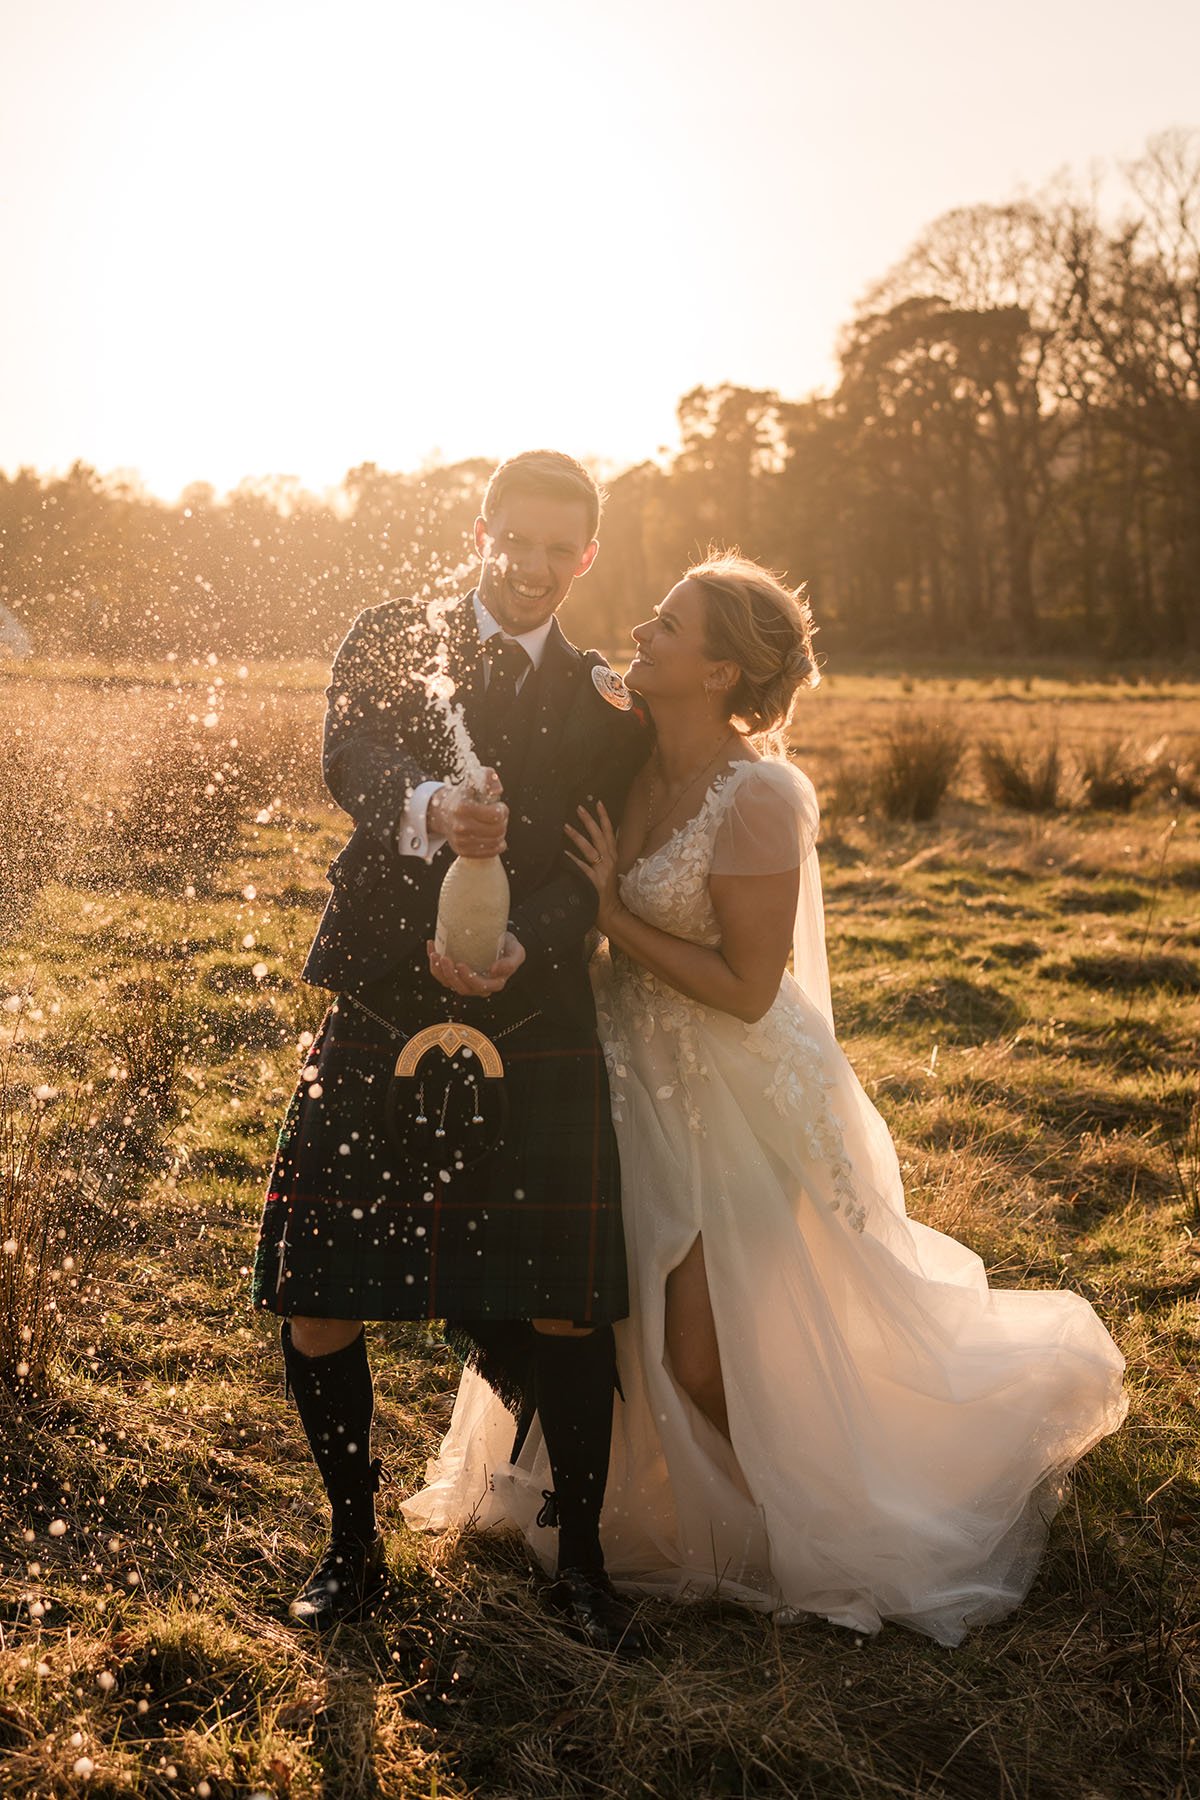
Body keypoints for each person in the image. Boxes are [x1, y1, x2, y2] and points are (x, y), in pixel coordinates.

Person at [403, 552, 1128, 1646]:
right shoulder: (626, 753)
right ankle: (637, 1510)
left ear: (720, 670)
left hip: (732, 1088)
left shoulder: (761, 796)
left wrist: (610, 912)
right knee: (622, 1324)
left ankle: (821, 1532)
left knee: (699, 1351)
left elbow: (748, 990)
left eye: (670, 625)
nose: (642, 631)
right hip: (624, 1075)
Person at [252, 450, 648, 1649]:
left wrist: (526, 940)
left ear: (586, 556)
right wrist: (428, 806)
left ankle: (581, 1561)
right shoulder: (390, 633)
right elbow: (349, 761)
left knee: (570, 1305)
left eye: (555, 550)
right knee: (321, 1292)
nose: (529, 569)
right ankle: (351, 1546)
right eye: (511, 541)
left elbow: (589, 877)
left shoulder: (601, 702)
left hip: (534, 1024)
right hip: (379, 997)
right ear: (483, 531)